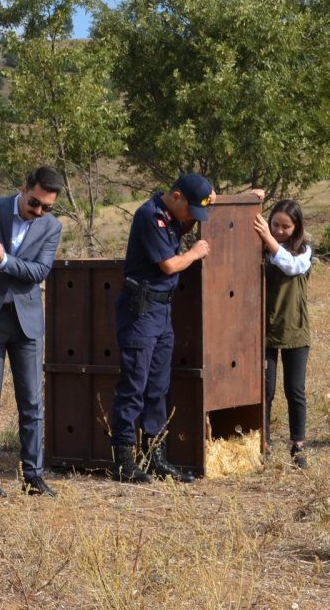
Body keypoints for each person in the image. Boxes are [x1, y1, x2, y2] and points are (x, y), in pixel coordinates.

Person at [110, 173, 217, 484]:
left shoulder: (171, 215)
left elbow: (186, 223)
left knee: (158, 386)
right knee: (134, 385)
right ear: (177, 196)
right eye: (191, 210)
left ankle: (155, 456)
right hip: (140, 312)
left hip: (161, 312)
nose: (192, 220)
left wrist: (213, 198)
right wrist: (195, 253)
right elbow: (168, 265)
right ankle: (124, 459)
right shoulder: (150, 216)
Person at [0, 166, 63, 497]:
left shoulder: (51, 227)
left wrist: (2, 259)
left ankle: (33, 476)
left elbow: (40, 271)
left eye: (47, 207)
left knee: (31, 402)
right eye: (34, 203)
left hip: (28, 323)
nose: (39, 212)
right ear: (23, 188)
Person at [253, 199, 312, 468]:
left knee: (295, 389)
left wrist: (267, 237)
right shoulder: (258, 249)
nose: (278, 230)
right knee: (265, 389)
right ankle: (263, 443)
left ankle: (298, 446)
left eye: (285, 226)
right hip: (264, 330)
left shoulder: (304, 251)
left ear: (296, 226)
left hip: (294, 329)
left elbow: (290, 266)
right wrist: (256, 202)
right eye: (274, 224)